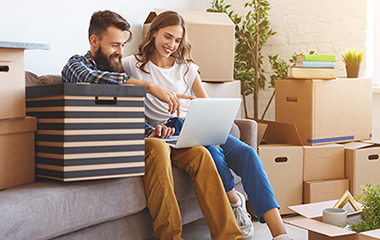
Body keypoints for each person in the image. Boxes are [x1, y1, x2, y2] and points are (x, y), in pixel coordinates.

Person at [61, 10, 243, 240]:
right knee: (156, 148)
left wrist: (154, 130)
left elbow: (131, 118)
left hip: (136, 140)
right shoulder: (77, 65)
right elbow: (86, 79)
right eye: (115, 45)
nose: (120, 52)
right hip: (102, 149)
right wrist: (147, 86)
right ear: (94, 41)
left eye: (123, 45)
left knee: (199, 154)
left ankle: (230, 236)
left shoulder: (117, 67)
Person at [122, 11, 291, 240]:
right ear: (153, 33)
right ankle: (234, 202)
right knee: (211, 153)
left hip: (197, 124)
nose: (171, 44)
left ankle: (280, 234)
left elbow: (205, 104)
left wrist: (213, 120)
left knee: (248, 154)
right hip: (171, 132)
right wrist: (152, 88)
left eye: (177, 40)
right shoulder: (132, 65)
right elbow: (116, 83)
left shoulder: (186, 68)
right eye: (167, 36)